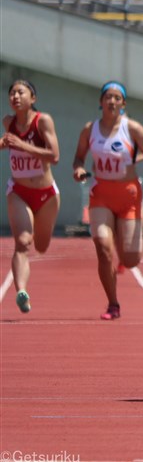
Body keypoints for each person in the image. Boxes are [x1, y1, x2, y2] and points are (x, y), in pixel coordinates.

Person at [72, 81, 143, 320]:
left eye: (116, 98)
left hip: (129, 195)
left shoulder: (132, 129)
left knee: (131, 260)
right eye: (107, 97)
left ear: (123, 103)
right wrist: (78, 170)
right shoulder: (89, 129)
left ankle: (125, 239)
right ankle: (113, 303)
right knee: (103, 248)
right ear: (101, 101)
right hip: (101, 194)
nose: (112, 101)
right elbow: (78, 158)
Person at [0, 80, 60, 314]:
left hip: (46, 195)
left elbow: (54, 156)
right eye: (11, 93)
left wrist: (23, 146)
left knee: (41, 246)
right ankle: (21, 292)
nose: (15, 96)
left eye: (20, 92)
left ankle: (41, 238)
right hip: (19, 191)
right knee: (23, 241)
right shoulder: (8, 122)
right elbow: (7, 143)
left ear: (32, 98)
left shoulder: (42, 121)